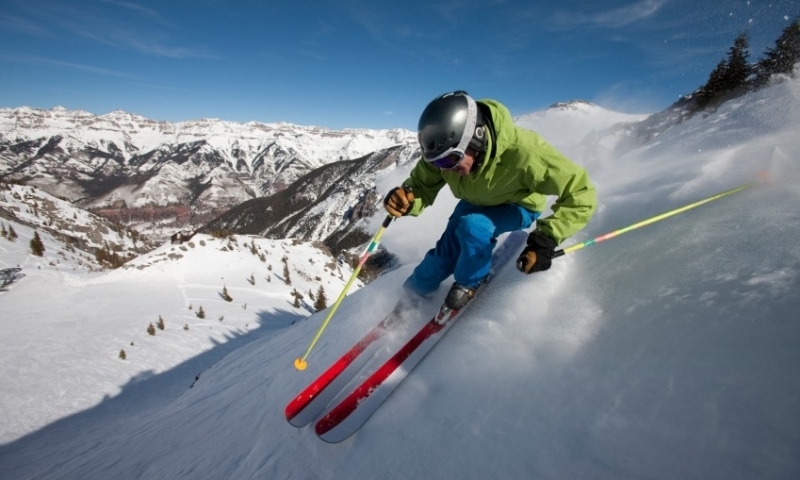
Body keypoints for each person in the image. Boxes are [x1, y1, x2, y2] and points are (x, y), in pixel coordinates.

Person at [383, 90, 597, 312]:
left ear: (476, 137)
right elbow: (421, 185)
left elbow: (581, 191)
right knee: (444, 253)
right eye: (437, 163)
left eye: (449, 160)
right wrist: (407, 199)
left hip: (518, 206)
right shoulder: (445, 153)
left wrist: (548, 238)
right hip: (476, 201)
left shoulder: (526, 154)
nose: (445, 168)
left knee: (473, 227)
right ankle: (414, 293)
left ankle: (470, 281)